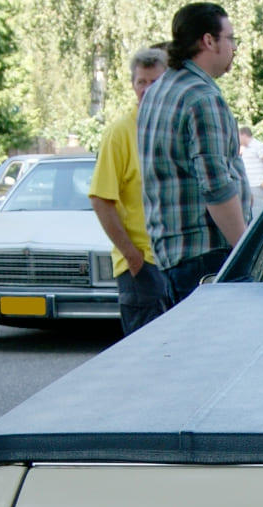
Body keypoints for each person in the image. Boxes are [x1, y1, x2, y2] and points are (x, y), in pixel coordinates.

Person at [138, 2, 250, 303]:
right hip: (208, 257)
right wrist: (247, 251)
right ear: (209, 41)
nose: (234, 48)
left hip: (172, 256)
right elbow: (216, 187)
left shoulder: (158, 91)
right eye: (231, 38)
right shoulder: (202, 98)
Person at [89, 45, 172, 335]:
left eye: (155, 82)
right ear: (132, 85)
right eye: (141, 82)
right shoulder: (120, 133)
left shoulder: (173, 126)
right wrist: (133, 258)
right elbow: (101, 199)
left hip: (175, 260)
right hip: (142, 266)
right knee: (145, 361)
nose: (147, 89)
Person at [238, 125, 263, 205]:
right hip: (248, 185)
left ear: (244, 135)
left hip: (258, 185)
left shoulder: (257, 145)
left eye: (238, 136)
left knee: (258, 208)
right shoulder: (244, 149)